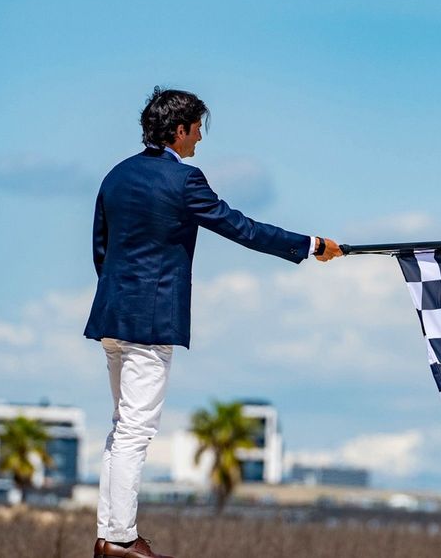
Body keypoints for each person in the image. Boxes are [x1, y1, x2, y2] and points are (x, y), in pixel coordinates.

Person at [84, 87, 342, 558]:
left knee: (122, 427)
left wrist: (121, 297)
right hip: (149, 323)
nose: (201, 137)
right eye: (198, 127)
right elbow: (240, 227)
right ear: (179, 129)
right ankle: (119, 539)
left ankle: (110, 534)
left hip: (112, 317)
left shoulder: (115, 175)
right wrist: (308, 245)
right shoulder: (184, 181)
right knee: (134, 432)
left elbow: (101, 248)